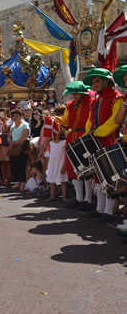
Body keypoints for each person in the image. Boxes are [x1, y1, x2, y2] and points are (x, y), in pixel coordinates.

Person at [84, 68, 123, 223]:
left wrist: (99, 131)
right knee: (98, 176)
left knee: (110, 176)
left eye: (98, 81)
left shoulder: (116, 97)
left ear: (106, 81)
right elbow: (89, 120)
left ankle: (109, 212)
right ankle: (100, 209)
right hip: (96, 140)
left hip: (109, 139)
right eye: (93, 82)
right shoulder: (94, 101)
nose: (95, 84)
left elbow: (115, 120)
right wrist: (88, 133)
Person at [55, 81, 94, 210]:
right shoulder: (70, 105)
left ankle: (88, 200)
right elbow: (66, 122)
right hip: (72, 138)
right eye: (73, 93)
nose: (74, 96)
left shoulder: (91, 102)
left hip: (85, 137)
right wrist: (56, 119)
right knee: (74, 169)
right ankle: (79, 199)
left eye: (76, 93)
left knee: (87, 169)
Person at [8, 109, 30, 191]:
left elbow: (24, 137)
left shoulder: (25, 125)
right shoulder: (13, 126)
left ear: (21, 116)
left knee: (22, 165)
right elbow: (9, 136)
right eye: (13, 116)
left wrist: (15, 143)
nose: (15, 117)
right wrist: (10, 141)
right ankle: (18, 182)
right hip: (13, 147)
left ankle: (23, 183)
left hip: (21, 147)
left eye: (17, 116)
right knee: (14, 165)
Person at [46, 127, 68, 201]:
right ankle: (52, 196)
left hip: (60, 163)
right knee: (52, 181)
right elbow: (50, 154)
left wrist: (64, 166)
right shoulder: (51, 143)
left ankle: (64, 196)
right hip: (52, 164)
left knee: (63, 181)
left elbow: (65, 155)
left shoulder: (64, 142)